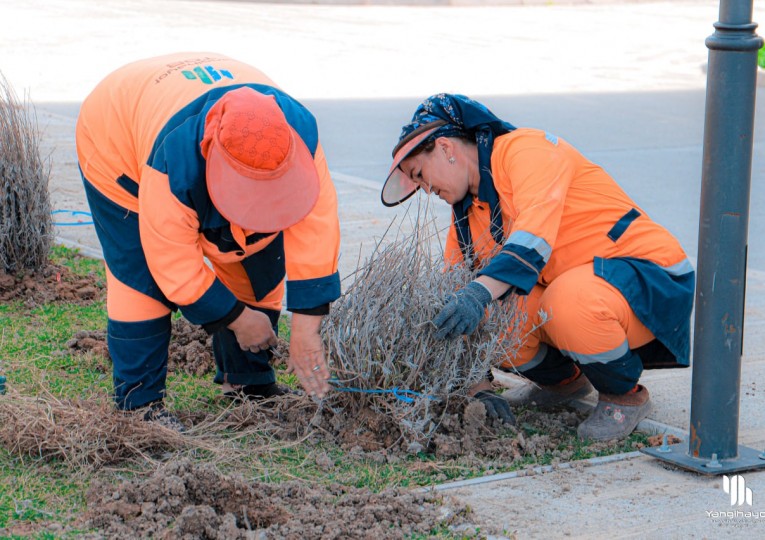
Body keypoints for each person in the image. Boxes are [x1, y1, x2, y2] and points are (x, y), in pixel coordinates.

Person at [382, 93, 694, 441]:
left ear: (445, 148)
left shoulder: (525, 150)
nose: (425, 189)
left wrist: (478, 293)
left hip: (650, 276)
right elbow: (457, 302)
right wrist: (479, 387)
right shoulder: (468, 214)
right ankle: (564, 383)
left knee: (562, 302)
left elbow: (533, 239)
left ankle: (624, 396)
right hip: (586, 286)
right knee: (495, 314)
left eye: (419, 174)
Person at [76, 53, 341, 430]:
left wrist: (306, 329)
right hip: (116, 140)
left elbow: (316, 231)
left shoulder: (300, 135)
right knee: (140, 279)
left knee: (258, 256)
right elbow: (172, 263)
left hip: (197, 100)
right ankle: (139, 407)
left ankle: (248, 383)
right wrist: (234, 318)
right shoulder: (172, 164)